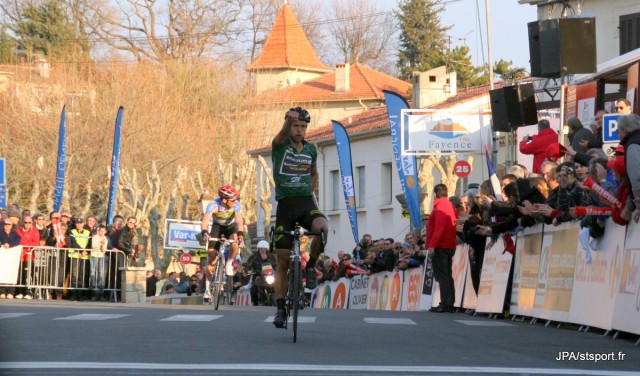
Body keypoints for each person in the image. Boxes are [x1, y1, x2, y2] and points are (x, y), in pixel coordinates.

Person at [271, 107, 329, 328]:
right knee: (283, 261)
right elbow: (281, 135)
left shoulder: (311, 149)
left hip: (306, 204)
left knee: (322, 229)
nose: (299, 130)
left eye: (303, 127)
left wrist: (315, 193)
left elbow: (313, 172)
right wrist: (288, 122)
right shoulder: (280, 146)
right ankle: (279, 309)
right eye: (296, 126)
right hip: (285, 207)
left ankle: (311, 266)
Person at [200, 185, 245, 277]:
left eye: (236, 199)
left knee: (235, 244)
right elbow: (204, 223)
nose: (235, 201)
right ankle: (212, 273)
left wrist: (240, 236)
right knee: (211, 253)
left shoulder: (236, 205)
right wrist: (205, 232)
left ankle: (229, 262)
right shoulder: (213, 205)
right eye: (232, 200)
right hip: (217, 227)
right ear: (224, 200)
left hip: (230, 226)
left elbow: (239, 221)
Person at [426, 184, 458, 313]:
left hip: (441, 245)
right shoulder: (449, 205)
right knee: (447, 275)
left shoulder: (440, 207)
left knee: (442, 275)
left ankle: (445, 302)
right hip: (449, 244)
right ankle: (448, 302)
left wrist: (432, 245)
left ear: (435, 194)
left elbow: (439, 228)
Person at [617, 114, 640, 222]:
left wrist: (638, 207)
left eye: (617, 131)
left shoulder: (632, 145)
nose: (617, 134)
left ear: (624, 131)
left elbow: (636, 178)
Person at [16, 215, 40, 299]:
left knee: (27, 274)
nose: (27, 224)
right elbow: (16, 241)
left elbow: (36, 243)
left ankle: (28, 292)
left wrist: (25, 245)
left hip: (29, 256)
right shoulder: (18, 230)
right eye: (26, 222)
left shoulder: (35, 230)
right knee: (20, 274)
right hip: (20, 256)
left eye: (29, 222)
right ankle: (20, 291)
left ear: (32, 223)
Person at [247, 240, 276, 306]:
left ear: (267, 249)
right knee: (253, 288)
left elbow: (275, 266)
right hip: (258, 275)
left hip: (270, 276)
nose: (263, 250)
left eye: (264, 249)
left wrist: (266, 259)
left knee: (279, 285)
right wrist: (248, 270)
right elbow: (248, 265)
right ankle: (255, 302)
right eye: (261, 249)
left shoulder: (271, 257)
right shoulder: (253, 257)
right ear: (258, 249)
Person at [0, 218, 22, 299]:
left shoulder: (14, 233)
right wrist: (2, 244)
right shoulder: (0, 233)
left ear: (12, 225)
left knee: (12, 272)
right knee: (2, 272)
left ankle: (10, 291)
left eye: (9, 224)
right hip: (2, 257)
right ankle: (2, 291)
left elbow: (18, 240)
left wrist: (10, 245)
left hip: (12, 258)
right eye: (5, 224)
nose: (7, 226)